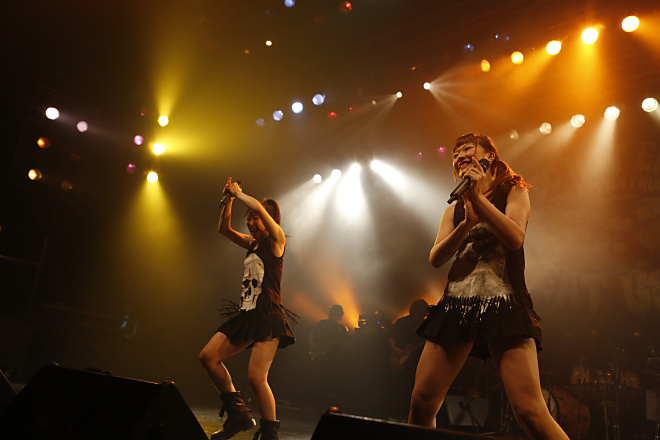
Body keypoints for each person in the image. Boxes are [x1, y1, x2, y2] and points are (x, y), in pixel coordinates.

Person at [408, 133, 569, 440]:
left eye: (466, 149)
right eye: (455, 154)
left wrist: (479, 200)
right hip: (457, 304)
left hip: (503, 303)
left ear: (489, 156)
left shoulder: (514, 191)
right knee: (422, 402)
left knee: (529, 411)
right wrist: (466, 224)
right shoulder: (454, 209)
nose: (459, 156)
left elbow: (515, 238)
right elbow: (435, 258)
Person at [199, 178, 295, 440]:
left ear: (268, 220)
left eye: (256, 219)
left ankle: (270, 434)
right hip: (247, 312)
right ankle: (239, 415)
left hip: (268, 315)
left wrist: (239, 193)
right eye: (249, 219)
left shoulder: (277, 241)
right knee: (208, 357)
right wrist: (229, 199)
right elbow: (223, 229)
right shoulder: (251, 243)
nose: (251, 223)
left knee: (256, 377)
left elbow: (260, 208)